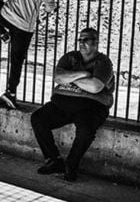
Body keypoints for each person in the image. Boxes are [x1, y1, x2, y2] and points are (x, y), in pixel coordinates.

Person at [31, 28, 115, 181]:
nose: (82, 43)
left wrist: (69, 77)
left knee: (86, 130)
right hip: (62, 103)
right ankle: (53, 160)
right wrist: (84, 74)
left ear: (95, 42)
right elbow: (58, 77)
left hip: (92, 106)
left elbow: (95, 87)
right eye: (80, 40)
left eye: (86, 40)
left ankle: (71, 164)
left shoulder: (103, 62)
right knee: (38, 118)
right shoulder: (70, 57)